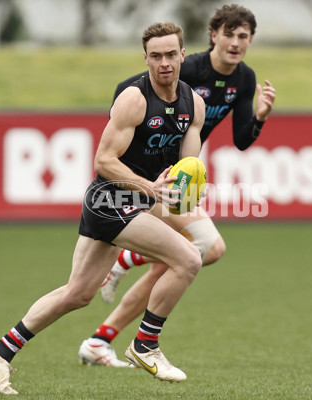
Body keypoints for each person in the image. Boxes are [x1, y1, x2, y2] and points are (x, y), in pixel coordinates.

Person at [0, 21, 206, 393]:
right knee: (189, 258)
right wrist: (150, 188)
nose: (164, 62)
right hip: (111, 201)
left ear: (183, 55)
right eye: (155, 55)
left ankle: (0, 351)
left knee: (78, 293)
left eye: (170, 54)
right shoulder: (134, 99)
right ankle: (145, 345)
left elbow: (187, 165)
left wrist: (186, 186)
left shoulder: (193, 104)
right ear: (145, 58)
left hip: (130, 203)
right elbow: (103, 161)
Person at [78, 4, 276, 368]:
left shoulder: (244, 79)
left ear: (250, 41)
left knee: (190, 257)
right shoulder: (189, 67)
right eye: (228, 34)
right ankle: (117, 297)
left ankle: (101, 335)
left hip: (178, 176)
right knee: (200, 250)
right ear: (213, 35)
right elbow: (133, 90)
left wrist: (260, 117)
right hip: (152, 178)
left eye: (243, 36)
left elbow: (242, 139)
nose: (235, 42)